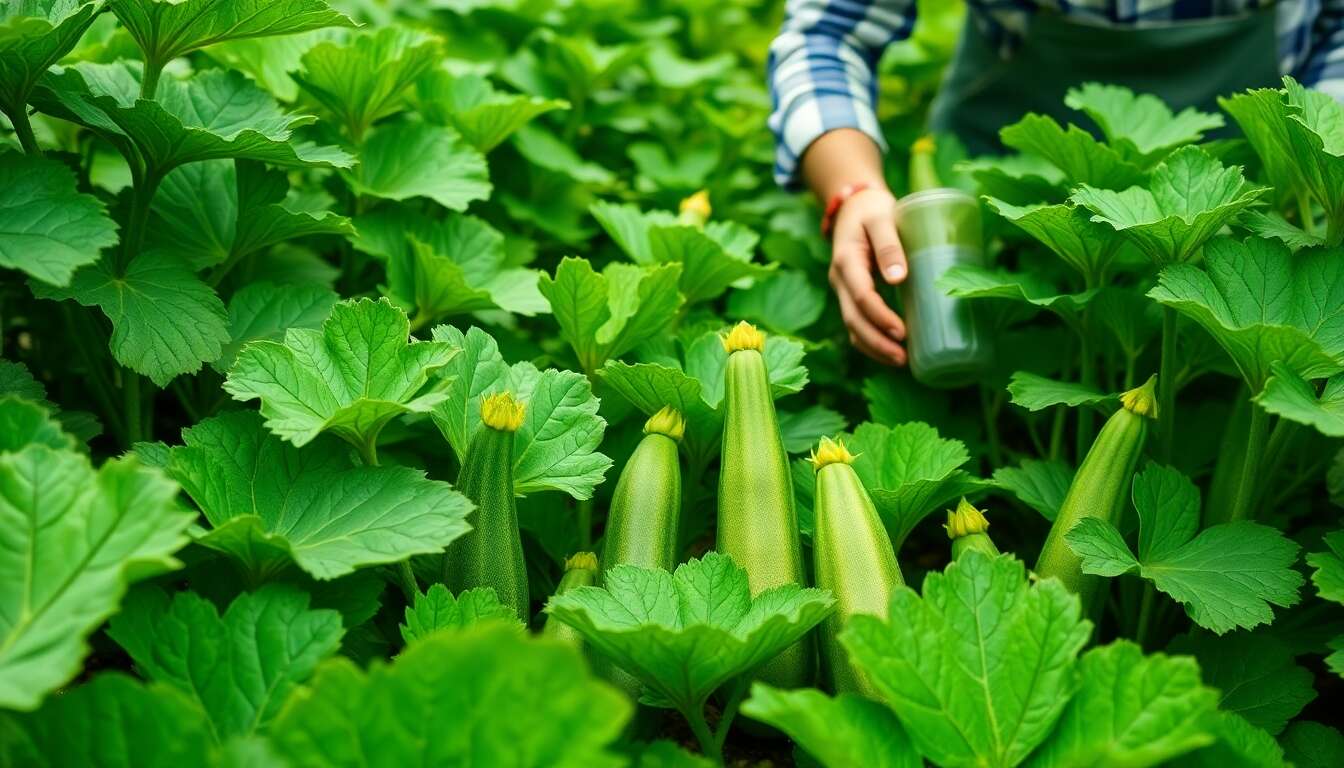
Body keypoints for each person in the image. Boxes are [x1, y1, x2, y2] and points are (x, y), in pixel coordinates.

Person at [768, 1, 1344, 365]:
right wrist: (855, 189)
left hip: (1262, 202)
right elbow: (827, 31)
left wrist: (1323, 177)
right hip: (995, 195)